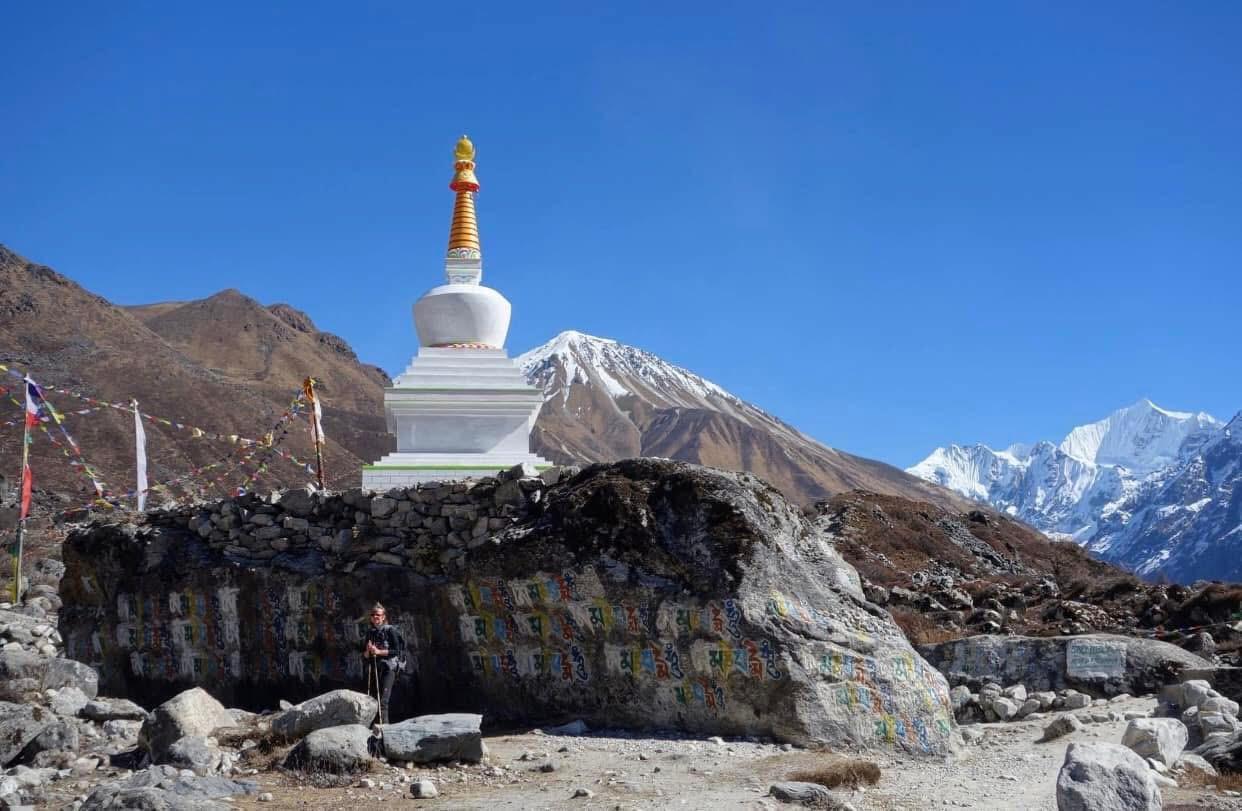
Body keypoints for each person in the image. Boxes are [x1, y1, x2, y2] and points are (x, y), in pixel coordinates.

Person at [361, 602, 404, 725]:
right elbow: (365, 656)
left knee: (383, 701)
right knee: (374, 700)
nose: (375, 617)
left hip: (389, 668)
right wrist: (368, 651)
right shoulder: (370, 633)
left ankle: (384, 728)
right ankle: (374, 726)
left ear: (383, 617)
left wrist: (378, 652)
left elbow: (396, 651)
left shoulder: (390, 631)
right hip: (375, 668)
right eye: (373, 615)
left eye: (378, 615)